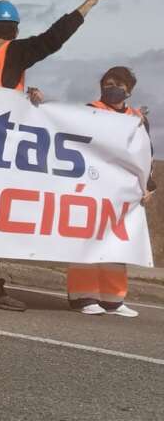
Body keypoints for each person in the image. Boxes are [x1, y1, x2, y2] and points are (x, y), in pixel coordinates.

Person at [0, 0, 105, 312]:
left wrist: (23, 97)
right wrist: (86, 5)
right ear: (14, 30)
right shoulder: (12, 52)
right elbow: (52, 39)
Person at [65, 67, 154, 318]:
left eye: (118, 84)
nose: (111, 87)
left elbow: (146, 154)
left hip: (122, 192)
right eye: (107, 82)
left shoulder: (137, 119)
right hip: (91, 187)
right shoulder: (89, 110)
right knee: (87, 240)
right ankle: (83, 296)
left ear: (129, 90)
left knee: (117, 243)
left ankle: (113, 299)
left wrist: (148, 185)